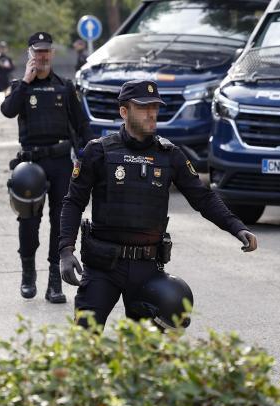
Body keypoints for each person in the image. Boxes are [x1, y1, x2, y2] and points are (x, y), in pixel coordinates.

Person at [58, 79, 258, 328]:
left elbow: (203, 198)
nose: (151, 113)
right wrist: (66, 250)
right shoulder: (98, 152)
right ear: (124, 112)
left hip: (148, 269)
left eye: (154, 107)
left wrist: (237, 227)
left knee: (149, 347)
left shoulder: (169, 155)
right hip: (103, 266)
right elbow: (73, 202)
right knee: (85, 338)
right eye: (143, 107)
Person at [0, 31, 95, 302]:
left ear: (51, 54)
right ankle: (28, 273)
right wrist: (25, 82)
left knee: (60, 221)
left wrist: (91, 154)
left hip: (60, 162)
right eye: (37, 51)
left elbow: (82, 124)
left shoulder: (64, 87)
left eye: (46, 51)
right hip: (30, 164)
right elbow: (8, 110)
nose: (42, 56)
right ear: (30, 54)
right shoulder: (20, 86)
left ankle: (55, 282)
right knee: (29, 222)